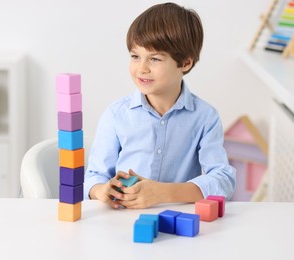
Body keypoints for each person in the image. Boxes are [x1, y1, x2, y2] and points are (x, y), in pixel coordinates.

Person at [84, 2, 235, 209]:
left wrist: (162, 192)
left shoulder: (205, 117)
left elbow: (222, 179)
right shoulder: (116, 114)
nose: (142, 68)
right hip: (121, 219)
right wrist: (102, 190)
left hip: (177, 218)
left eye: (154, 59)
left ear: (185, 63)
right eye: (135, 56)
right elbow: (95, 176)